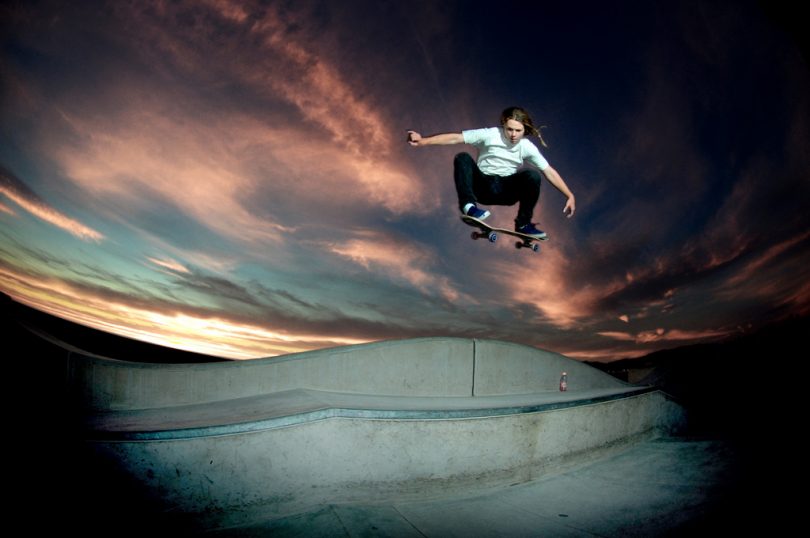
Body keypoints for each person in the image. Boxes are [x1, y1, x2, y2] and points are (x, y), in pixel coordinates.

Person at [407, 106, 575, 239]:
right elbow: (455, 138)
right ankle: (468, 206)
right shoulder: (489, 134)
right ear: (503, 124)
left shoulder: (527, 147)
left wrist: (569, 195)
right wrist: (423, 141)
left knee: (533, 175)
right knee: (463, 157)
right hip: (482, 187)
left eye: (518, 131)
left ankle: (523, 224)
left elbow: (549, 171)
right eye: (510, 130)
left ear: (525, 129)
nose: (514, 135)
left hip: (506, 192)